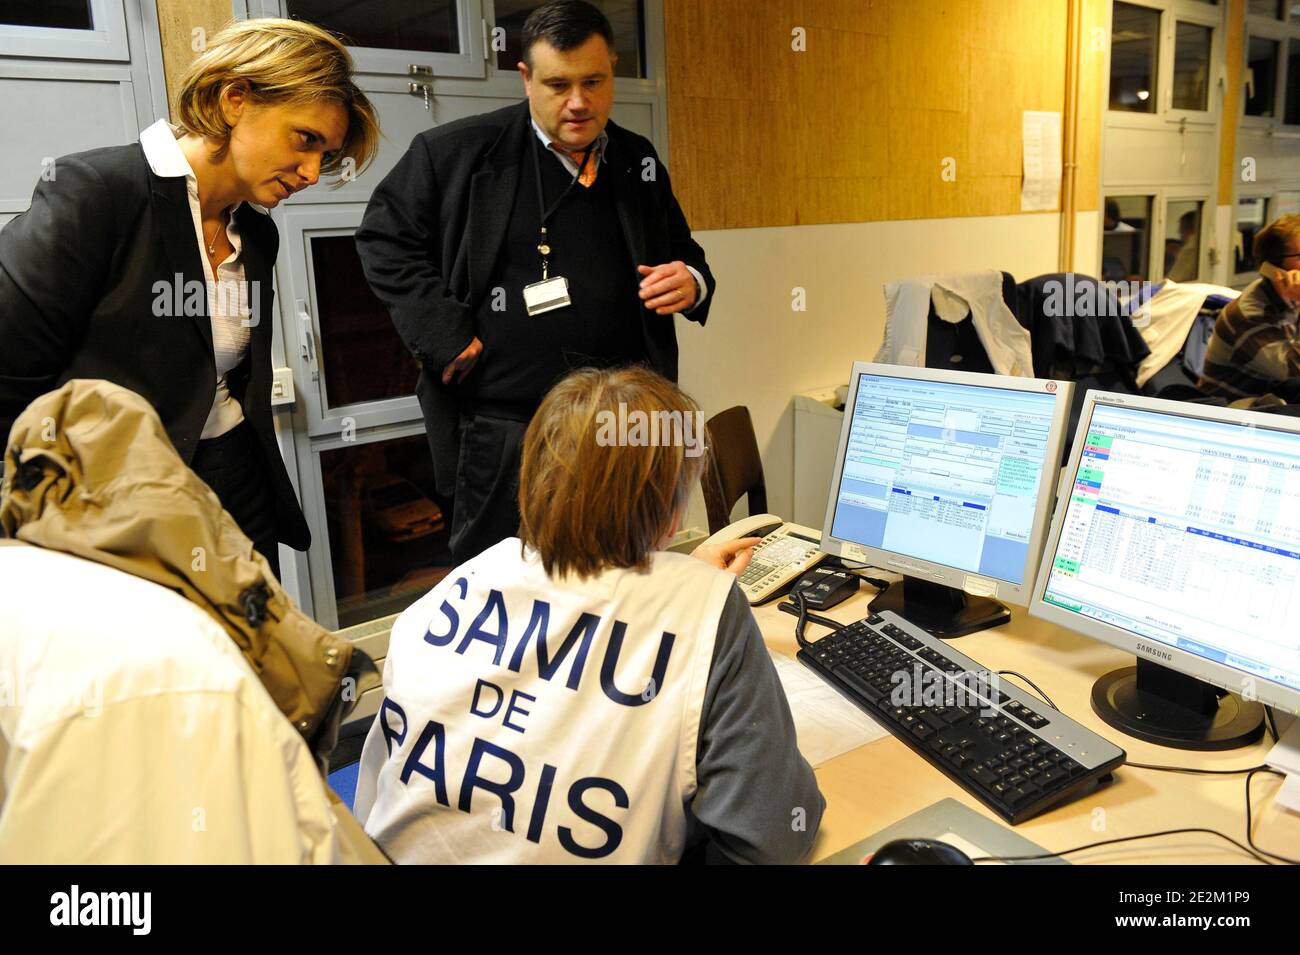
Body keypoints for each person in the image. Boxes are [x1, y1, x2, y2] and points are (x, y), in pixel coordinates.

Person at [353, 367, 824, 864]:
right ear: (669, 514)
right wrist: (687, 592)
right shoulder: (709, 607)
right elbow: (770, 839)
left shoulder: (460, 582)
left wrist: (674, 583)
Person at [0, 18, 379, 578]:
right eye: (305, 140)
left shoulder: (257, 231)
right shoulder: (100, 190)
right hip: (112, 505)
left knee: (245, 656)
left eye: (325, 155)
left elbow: (221, 370)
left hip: (232, 481)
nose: (310, 173)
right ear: (234, 100)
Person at [355, 0, 715, 564]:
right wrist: (441, 330)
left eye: (594, 82)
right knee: (505, 583)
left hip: (622, 426)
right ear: (525, 79)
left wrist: (690, 280)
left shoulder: (635, 159)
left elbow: (685, 252)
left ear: (612, 69)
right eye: (558, 84)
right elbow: (383, 239)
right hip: (506, 429)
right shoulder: (456, 153)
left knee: (620, 575)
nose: (578, 102)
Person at [1199, 214, 1300, 401]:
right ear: (1274, 269)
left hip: (1272, 399)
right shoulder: (1250, 314)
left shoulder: (1290, 298)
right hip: (1230, 414)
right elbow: (1295, 369)